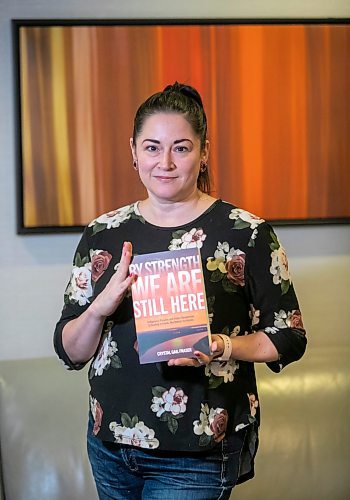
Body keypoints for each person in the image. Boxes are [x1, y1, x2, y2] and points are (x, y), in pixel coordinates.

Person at [54, 82, 307, 499]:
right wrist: (100, 307)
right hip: (110, 441)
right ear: (133, 152)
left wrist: (222, 344)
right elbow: (71, 351)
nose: (165, 162)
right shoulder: (103, 233)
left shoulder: (247, 233)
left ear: (204, 152)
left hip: (198, 449)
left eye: (182, 148)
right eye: (152, 147)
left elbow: (289, 337)